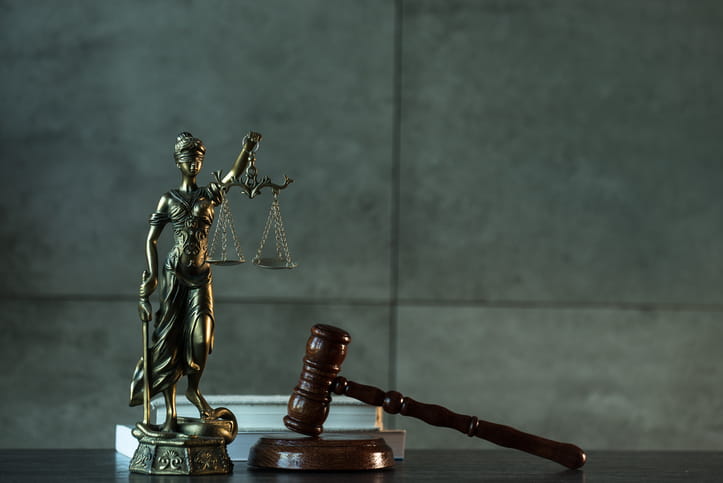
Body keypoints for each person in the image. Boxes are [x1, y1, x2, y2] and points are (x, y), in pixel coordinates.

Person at [129, 131, 261, 432]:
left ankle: (194, 389)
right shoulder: (168, 199)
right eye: (188, 160)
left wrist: (246, 148)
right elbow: (152, 239)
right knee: (170, 342)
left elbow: (231, 175)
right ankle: (170, 416)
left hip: (201, 276)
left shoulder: (209, 194)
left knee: (201, 337)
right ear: (178, 162)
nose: (194, 165)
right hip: (174, 274)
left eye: (198, 160)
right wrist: (150, 278)